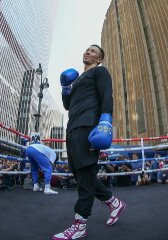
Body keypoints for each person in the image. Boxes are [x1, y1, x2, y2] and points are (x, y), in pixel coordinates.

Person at [53, 45, 126, 240]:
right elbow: (68, 106)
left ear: (99, 59)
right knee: (81, 173)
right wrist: (65, 87)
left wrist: (105, 121)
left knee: (85, 174)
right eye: (86, 50)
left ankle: (80, 225)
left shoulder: (100, 71)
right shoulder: (76, 80)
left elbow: (106, 96)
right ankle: (113, 203)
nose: (88, 52)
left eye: (93, 51)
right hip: (73, 127)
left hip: (88, 126)